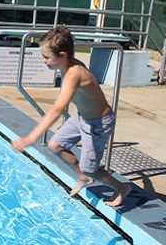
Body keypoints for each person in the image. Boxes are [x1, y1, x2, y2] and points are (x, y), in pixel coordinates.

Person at [11, 26, 131, 207]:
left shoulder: (74, 74)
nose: (43, 61)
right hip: (81, 117)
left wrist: (30, 138)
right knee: (55, 145)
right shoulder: (68, 64)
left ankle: (121, 188)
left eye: (46, 57)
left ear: (62, 55)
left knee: (91, 168)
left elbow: (58, 108)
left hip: (98, 124)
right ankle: (83, 177)